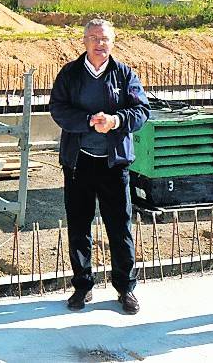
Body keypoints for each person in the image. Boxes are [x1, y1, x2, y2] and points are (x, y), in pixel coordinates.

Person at [49, 18, 151, 315]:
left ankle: (126, 287)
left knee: (120, 227)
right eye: (93, 37)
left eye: (104, 38)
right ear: (84, 41)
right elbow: (57, 107)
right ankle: (82, 285)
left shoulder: (124, 74)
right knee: (79, 226)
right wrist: (87, 121)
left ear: (113, 41)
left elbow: (142, 110)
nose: (99, 43)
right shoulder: (70, 73)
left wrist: (116, 121)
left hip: (113, 164)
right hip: (79, 162)